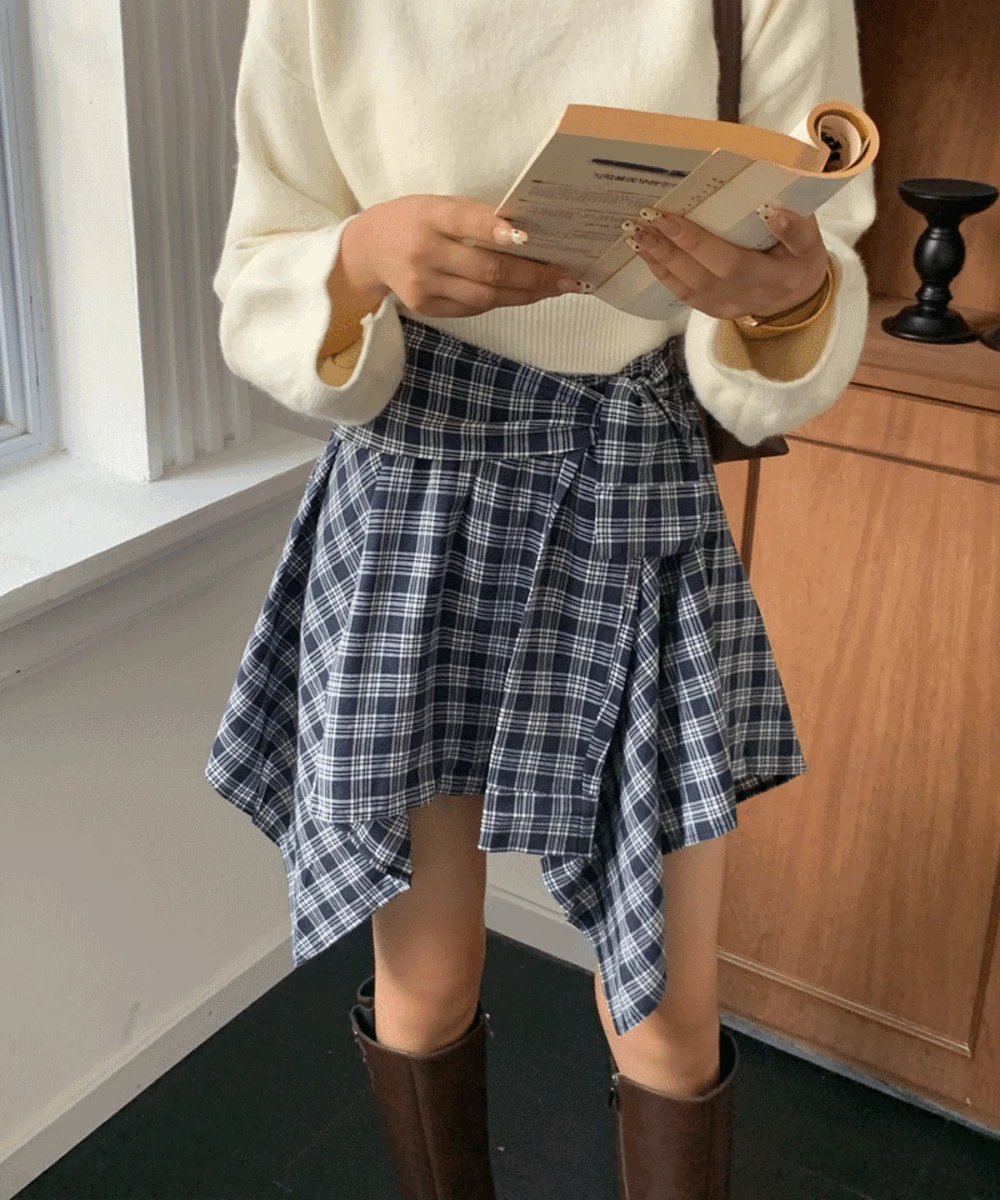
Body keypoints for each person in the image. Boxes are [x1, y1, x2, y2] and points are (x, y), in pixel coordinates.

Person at [205, 1, 876, 1196]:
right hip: (414, 484)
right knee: (423, 985)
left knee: (666, 1011)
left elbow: (817, 251)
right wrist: (358, 256)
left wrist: (787, 294)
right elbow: (265, 257)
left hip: (631, 475)